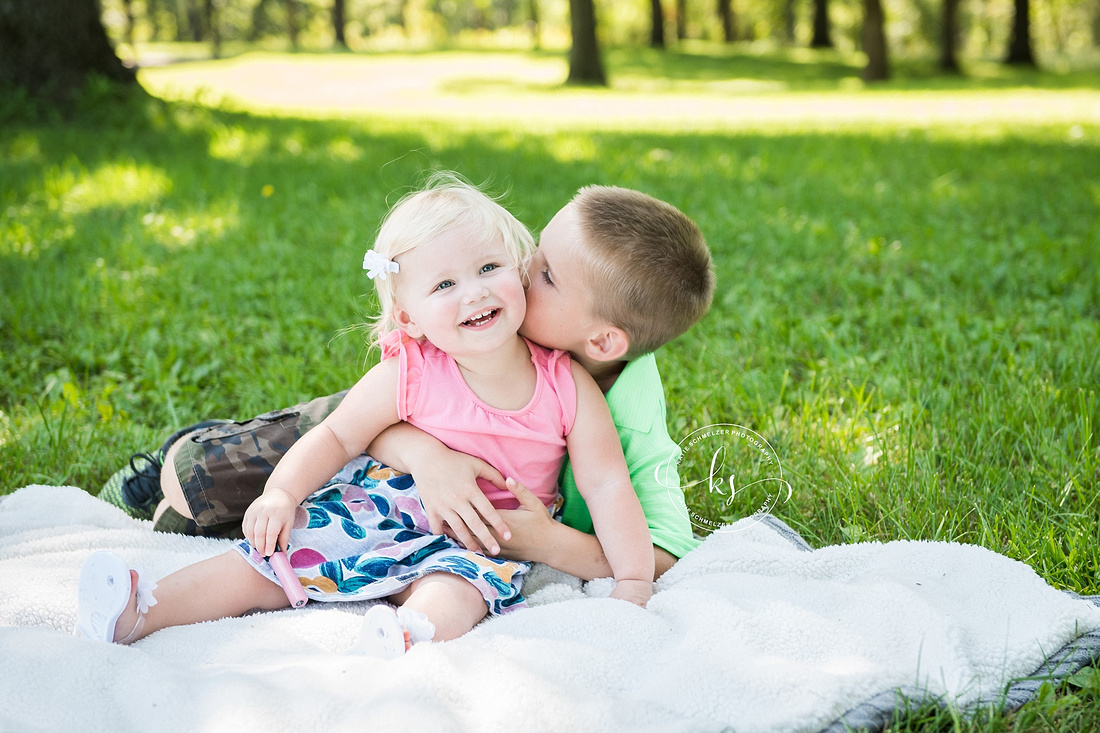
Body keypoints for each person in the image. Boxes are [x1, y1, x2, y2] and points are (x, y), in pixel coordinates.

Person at [75, 176, 655, 651]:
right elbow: (334, 436)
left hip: (482, 536)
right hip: (380, 504)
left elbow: (607, 483)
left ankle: (407, 637)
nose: (473, 293)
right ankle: (142, 606)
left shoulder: (565, 383)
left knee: (460, 590)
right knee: (271, 559)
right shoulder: (411, 371)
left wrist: (631, 579)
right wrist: (281, 494)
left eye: (488, 269)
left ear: (520, 269)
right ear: (408, 318)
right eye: (444, 284)